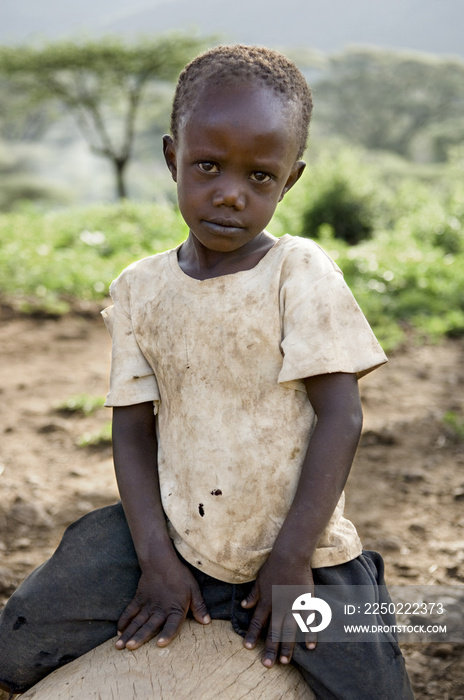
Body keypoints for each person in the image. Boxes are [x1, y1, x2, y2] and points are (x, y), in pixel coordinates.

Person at [0, 45, 414, 699]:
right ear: (173, 158)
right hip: (175, 529)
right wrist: (157, 560)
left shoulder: (297, 273)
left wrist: (290, 561)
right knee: (21, 638)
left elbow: (343, 414)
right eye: (208, 166)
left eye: (260, 178)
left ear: (291, 180)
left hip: (301, 545)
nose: (230, 193)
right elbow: (132, 431)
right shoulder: (140, 287)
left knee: (372, 690)